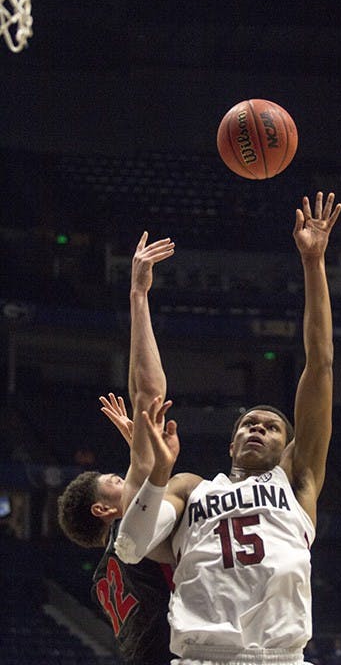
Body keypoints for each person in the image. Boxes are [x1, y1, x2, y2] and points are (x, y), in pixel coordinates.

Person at [115, 192, 341, 665]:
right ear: (231, 442)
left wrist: (313, 262)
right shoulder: (190, 489)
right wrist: (138, 296)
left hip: (282, 656)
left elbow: (319, 364)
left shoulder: (296, 480)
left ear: (288, 446)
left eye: (273, 427)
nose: (259, 429)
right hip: (204, 657)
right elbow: (132, 546)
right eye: (249, 424)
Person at [57, 232, 176, 665]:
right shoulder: (131, 535)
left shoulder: (107, 576)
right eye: (115, 480)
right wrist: (138, 293)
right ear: (103, 511)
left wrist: (140, 454)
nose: (123, 477)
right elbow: (148, 393)